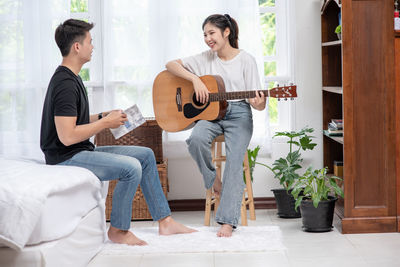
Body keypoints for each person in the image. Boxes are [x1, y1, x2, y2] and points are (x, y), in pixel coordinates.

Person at [40, 19, 196, 246]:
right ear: (77, 47)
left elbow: (74, 122)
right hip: (65, 158)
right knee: (130, 168)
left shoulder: (72, 78)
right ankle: (118, 230)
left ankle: (165, 221)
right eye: (90, 42)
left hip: (79, 150)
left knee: (145, 155)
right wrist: (105, 124)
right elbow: (67, 136)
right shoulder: (64, 83)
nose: (92, 47)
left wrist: (105, 117)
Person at [166, 14, 266, 237]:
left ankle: (227, 221)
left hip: (239, 114)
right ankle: (214, 181)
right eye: (205, 35)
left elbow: (258, 105)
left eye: (211, 33)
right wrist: (195, 79)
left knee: (234, 161)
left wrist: (259, 103)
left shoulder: (246, 60)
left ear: (226, 32)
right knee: (195, 140)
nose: (207, 39)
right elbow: (170, 65)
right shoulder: (204, 58)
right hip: (211, 114)